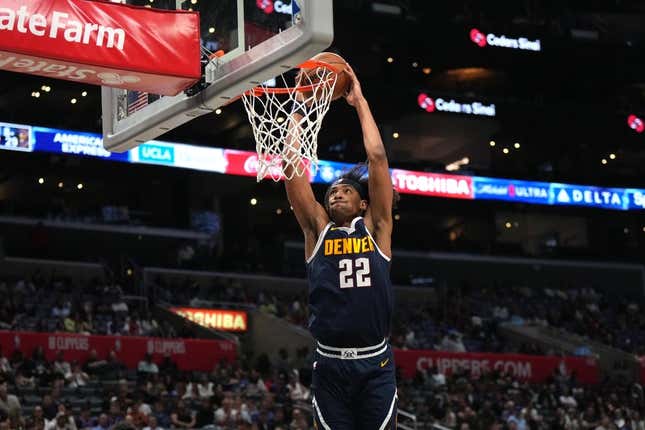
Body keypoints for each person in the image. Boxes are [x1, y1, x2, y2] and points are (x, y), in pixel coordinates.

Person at [284, 63, 399, 429]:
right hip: (330, 365)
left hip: (375, 364)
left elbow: (377, 159)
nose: (336, 193)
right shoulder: (317, 231)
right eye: (331, 191)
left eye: (346, 189)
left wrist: (359, 101)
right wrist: (299, 107)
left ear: (363, 204)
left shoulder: (377, 229)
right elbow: (291, 166)